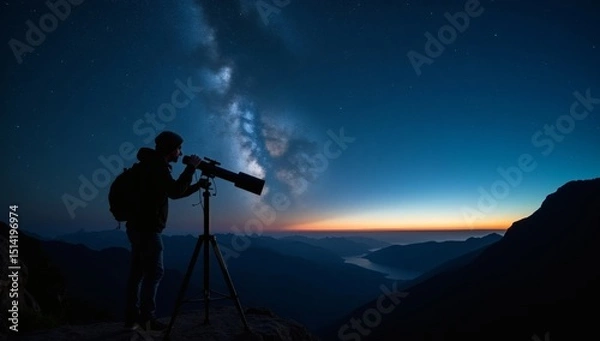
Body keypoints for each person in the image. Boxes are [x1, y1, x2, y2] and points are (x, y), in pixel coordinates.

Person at [124, 131, 202, 331]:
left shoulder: (148, 164)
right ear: (171, 149)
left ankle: (132, 317)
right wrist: (191, 168)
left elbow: (172, 191)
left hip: (135, 226)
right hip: (148, 229)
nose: (181, 152)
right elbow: (174, 191)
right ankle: (147, 319)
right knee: (154, 272)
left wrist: (195, 187)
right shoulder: (157, 166)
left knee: (137, 273)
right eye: (178, 148)